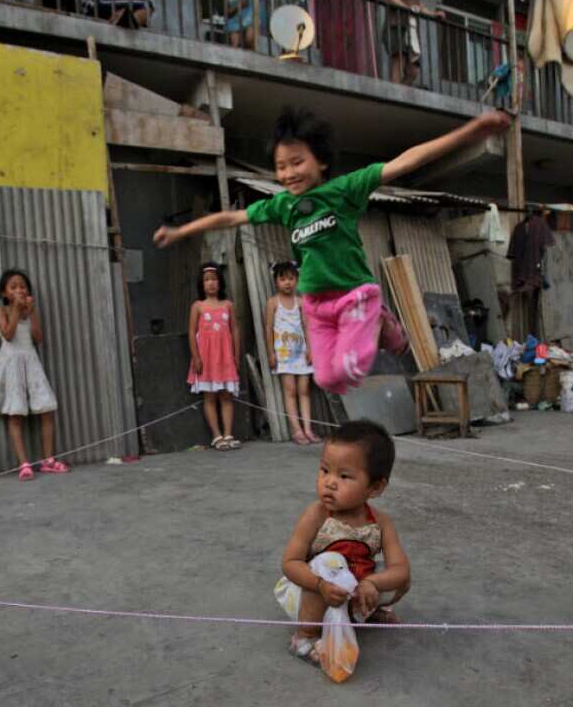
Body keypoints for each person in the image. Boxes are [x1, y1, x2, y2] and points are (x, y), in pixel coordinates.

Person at [155, 106, 512, 394]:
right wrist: (182, 231)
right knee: (328, 380)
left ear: (321, 161)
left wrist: (473, 130)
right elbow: (231, 218)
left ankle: (378, 319)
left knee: (351, 368)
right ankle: (385, 321)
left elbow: (407, 162)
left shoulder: (344, 190)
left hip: (354, 295)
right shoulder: (283, 205)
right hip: (316, 305)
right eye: (281, 167)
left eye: (297, 162)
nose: (289, 173)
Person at [273, 420, 410, 665]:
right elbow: (290, 563)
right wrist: (320, 585)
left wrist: (371, 582)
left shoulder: (381, 522)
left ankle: (365, 612)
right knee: (331, 562)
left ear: (375, 487)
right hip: (309, 595)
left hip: (351, 590)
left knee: (396, 579)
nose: (330, 482)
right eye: (325, 470)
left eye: (344, 476)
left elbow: (400, 570)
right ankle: (305, 636)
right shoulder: (316, 514)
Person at [0, 269, 67, 480]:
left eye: (23, 286)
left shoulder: (31, 310)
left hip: (30, 360)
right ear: (5, 293)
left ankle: (48, 459)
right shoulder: (1, 310)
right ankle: (23, 464)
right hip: (11, 362)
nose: (19, 290)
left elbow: (38, 338)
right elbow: (9, 335)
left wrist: (30, 313)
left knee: (47, 407)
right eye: (14, 287)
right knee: (15, 413)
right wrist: (15, 309)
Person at [188, 263, 242, 451]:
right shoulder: (198, 306)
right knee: (209, 397)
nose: (211, 283)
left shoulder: (228, 305)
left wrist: (236, 356)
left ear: (220, 282)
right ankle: (217, 436)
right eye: (207, 280)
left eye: (214, 279)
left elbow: (235, 330)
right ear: (201, 284)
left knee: (227, 396)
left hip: (225, 357)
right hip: (206, 358)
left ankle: (228, 434)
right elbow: (191, 332)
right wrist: (196, 357)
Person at [266, 260, 318, 445]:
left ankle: (308, 428)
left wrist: (311, 349)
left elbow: (307, 326)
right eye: (283, 279)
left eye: (291, 278)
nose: (287, 282)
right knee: (290, 391)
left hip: (301, 353)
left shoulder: (301, 302)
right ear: (276, 281)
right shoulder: (273, 303)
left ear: (297, 280)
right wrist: (271, 353)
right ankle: (296, 430)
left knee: (304, 391)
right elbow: (269, 328)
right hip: (283, 354)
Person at [382, 0, 442, 85]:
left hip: (411, 31)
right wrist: (409, 9)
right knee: (399, 63)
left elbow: (419, 7)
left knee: (413, 71)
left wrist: (433, 14)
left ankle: (400, 93)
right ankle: (395, 95)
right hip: (395, 27)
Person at [78, 0, 153, 27]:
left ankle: (127, 19)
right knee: (145, 4)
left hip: (92, 5)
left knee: (141, 6)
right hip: (91, 5)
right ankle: (130, 21)